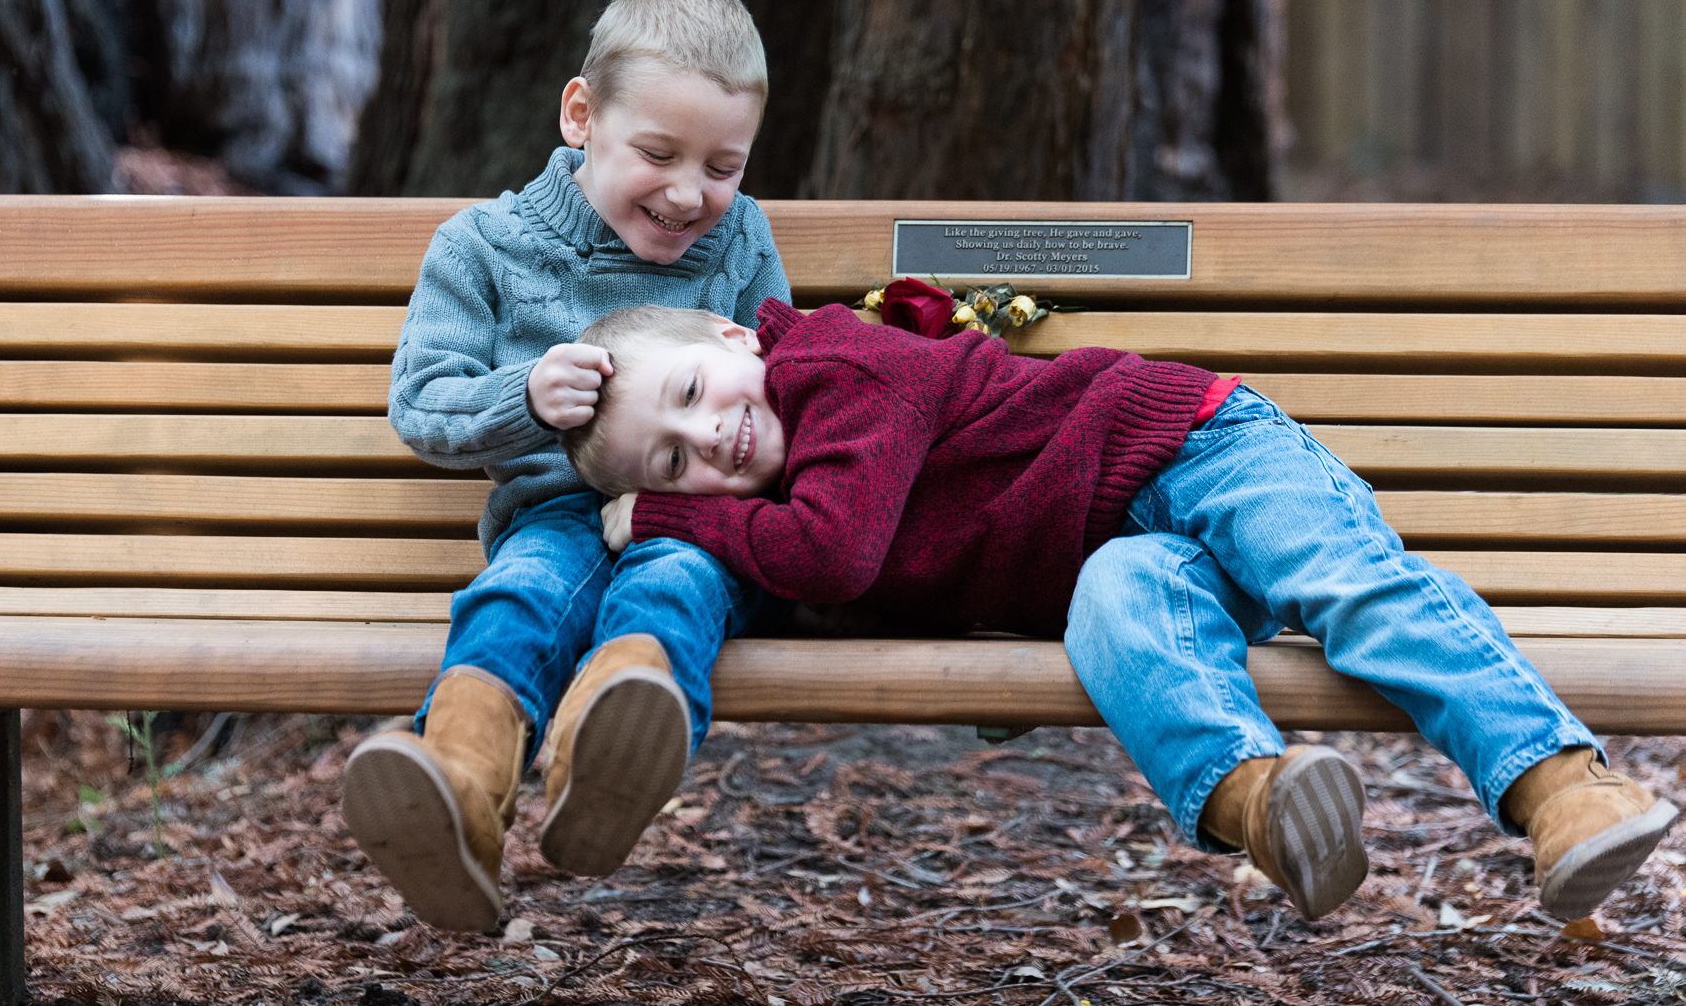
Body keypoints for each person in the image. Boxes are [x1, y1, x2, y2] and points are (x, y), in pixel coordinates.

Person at [559, 298, 1680, 922]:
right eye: (673, 456)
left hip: (1192, 445)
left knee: (1347, 589)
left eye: (695, 396)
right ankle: (1266, 807)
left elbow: (840, 553)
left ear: (733, 338)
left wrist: (663, 515)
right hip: (1125, 547)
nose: (709, 439)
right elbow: (821, 561)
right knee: (1118, 614)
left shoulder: (833, 364)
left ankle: (1561, 790)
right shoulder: (775, 498)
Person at [341, 0, 791, 932]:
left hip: (697, 515)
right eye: (659, 154)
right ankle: (459, 790)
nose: (687, 194)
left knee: (677, 583)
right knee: (521, 594)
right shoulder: (486, 247)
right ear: (582, 115)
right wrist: (527, 398)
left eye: (723, 166)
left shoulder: (742, 239)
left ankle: (609, 757)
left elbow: (784, 375)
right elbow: (423, 406)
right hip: (552, 510)